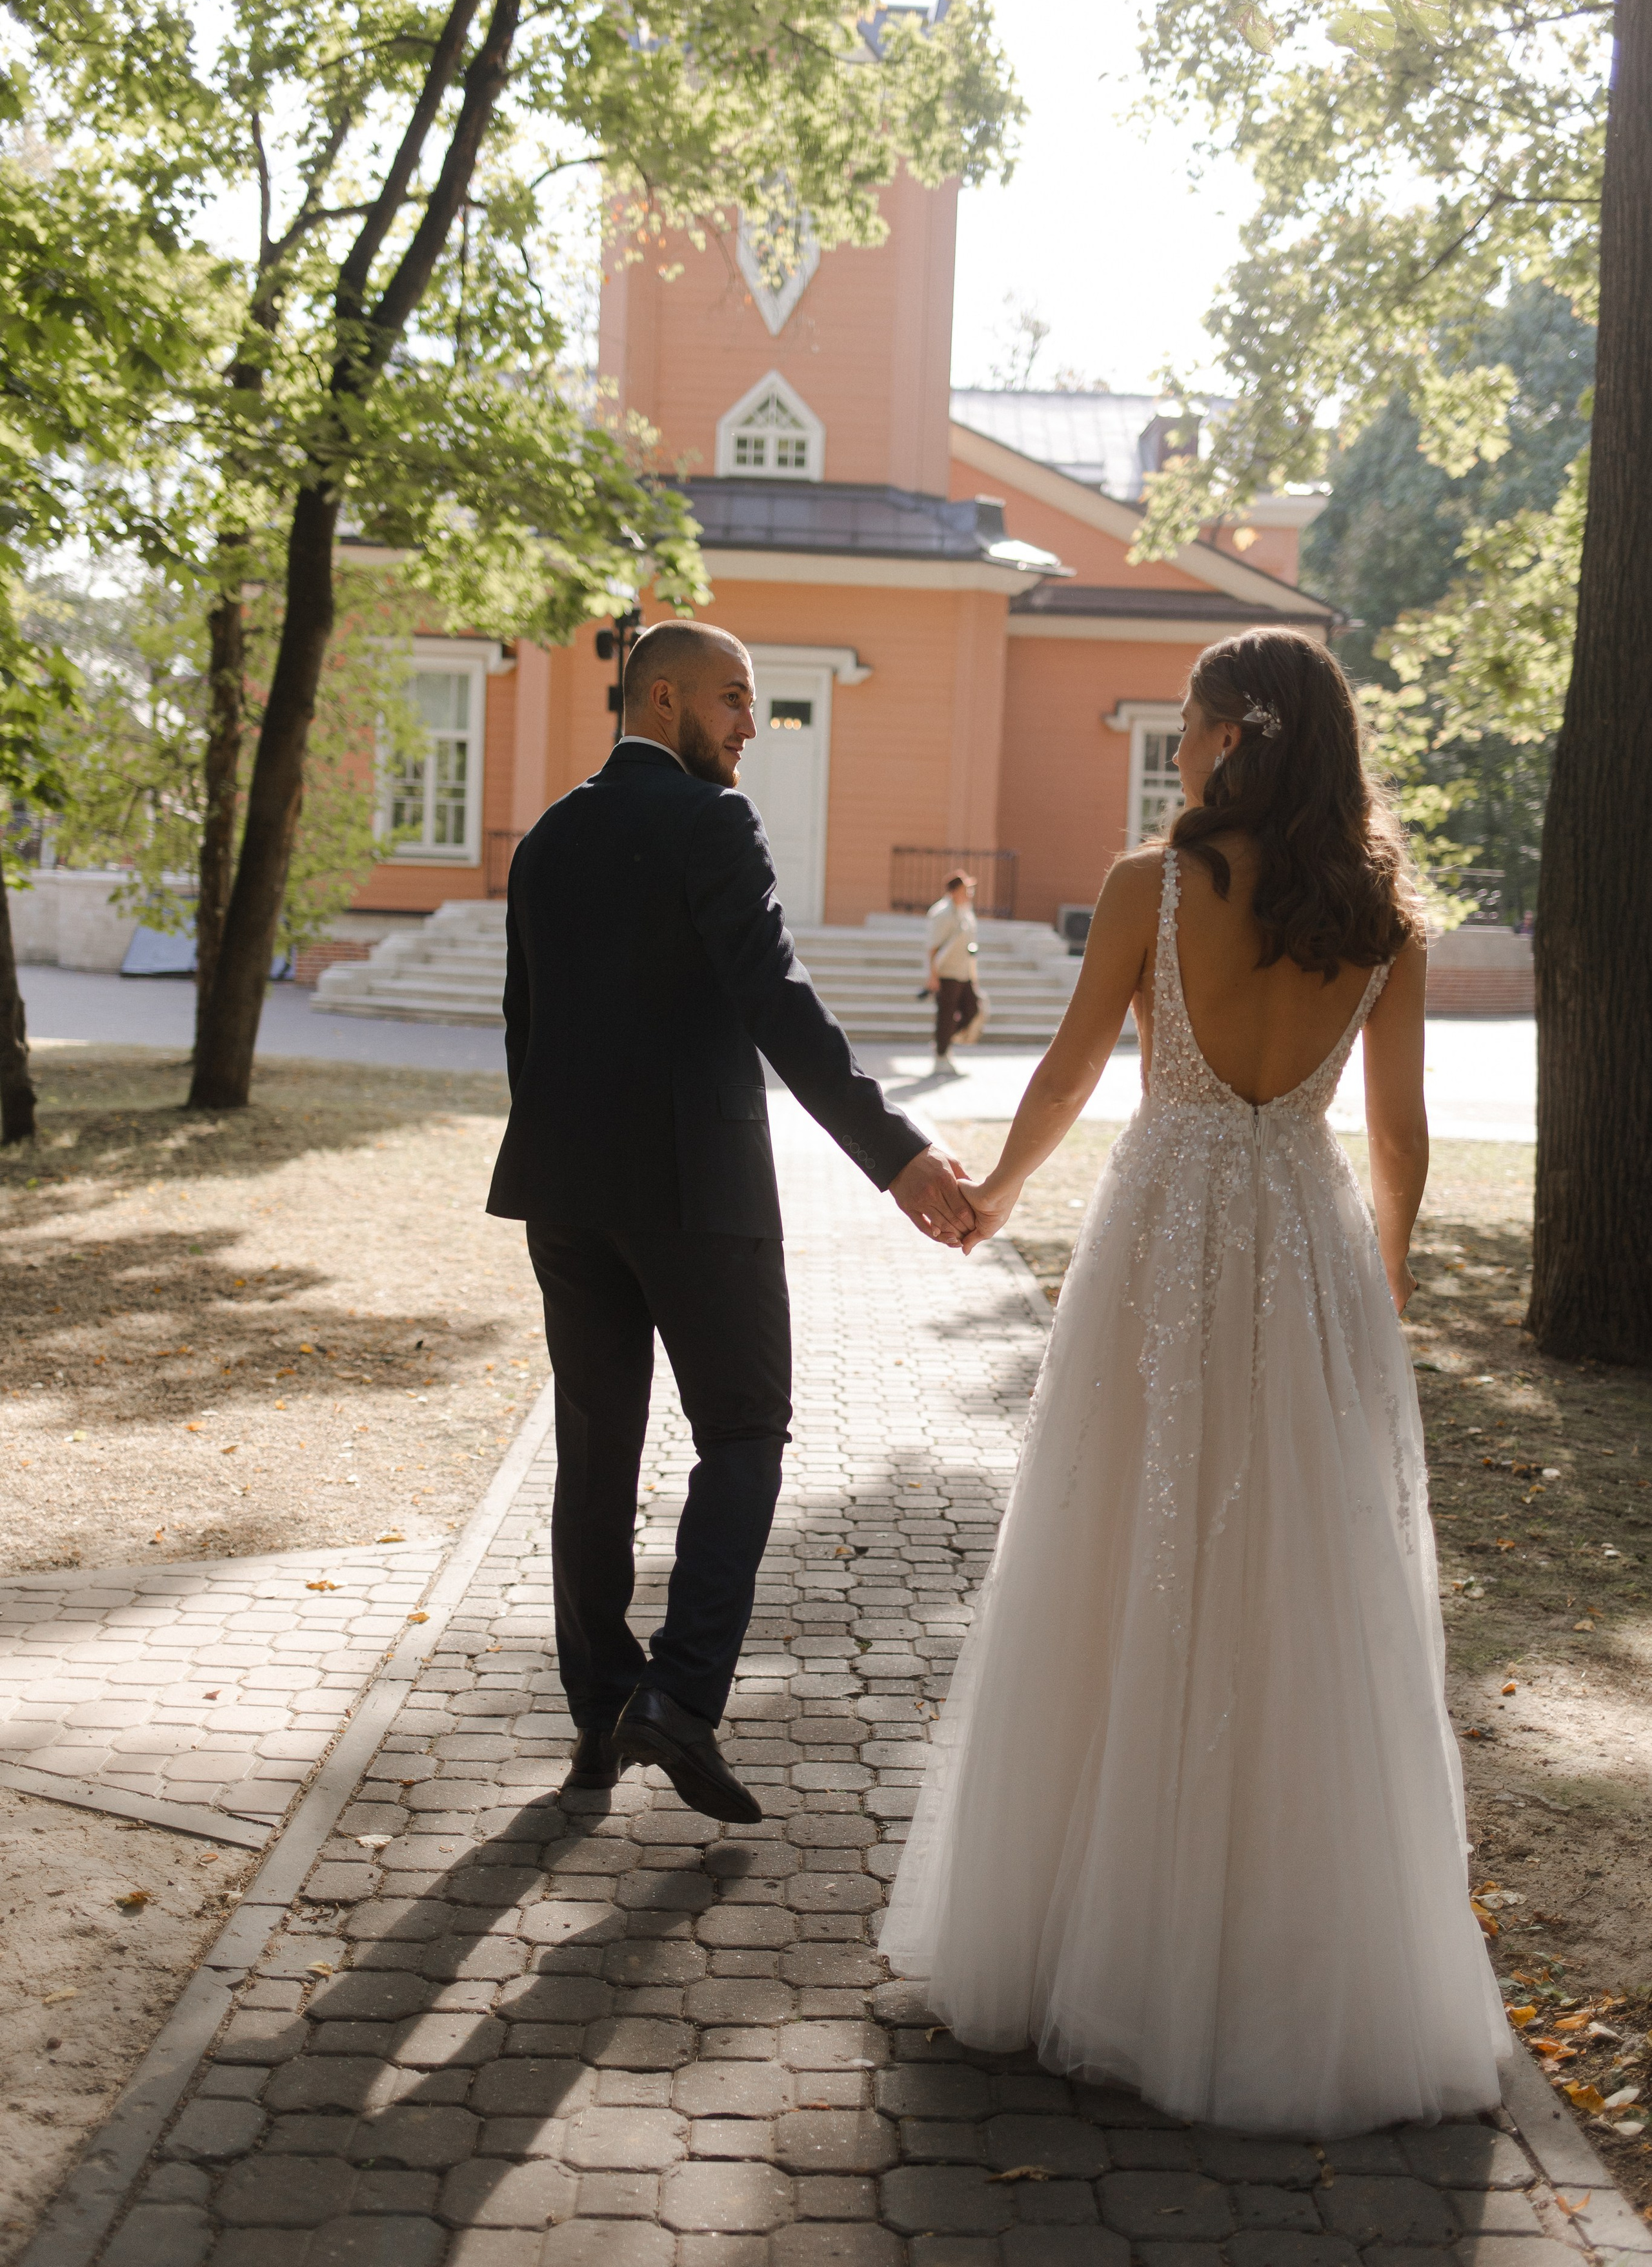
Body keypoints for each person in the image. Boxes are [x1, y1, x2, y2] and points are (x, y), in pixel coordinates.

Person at [880, 625, 1509, 2134]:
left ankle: (1102, 1926)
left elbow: (1067, 1070)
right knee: (1296, 1567)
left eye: (1185, 720)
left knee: (1119, 1535)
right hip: (1305, 1240)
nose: (1175, 744)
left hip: (1161, 1235)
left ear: (1234, 733)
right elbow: (1399, 1133)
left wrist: (996, 1196)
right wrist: (1383, 1278)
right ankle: (1277, 1945)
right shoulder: (1382, 918)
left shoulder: (1149, 886)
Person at [487, 620, 974, 1827]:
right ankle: (680, 1694)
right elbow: (777, 1001)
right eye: (733, 700)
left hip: (564, 1192)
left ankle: (600, 1714)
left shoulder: (547, 838)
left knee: (595, 1452)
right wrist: (896, 1153)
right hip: (697, 1190)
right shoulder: (713, 820)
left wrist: (562, 1157)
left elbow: (523, 1026)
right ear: (661, 699)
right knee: (747, 1433)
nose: (752, 726)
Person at [925, 871, 980, 1074]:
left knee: (972, 1010)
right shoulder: (942, 914)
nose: (970, 893)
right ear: (955, 891)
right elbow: (933, 947)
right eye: (966, 889)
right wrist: (932, 976)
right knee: (946, 1016)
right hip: (946, 973)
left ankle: (943, 1041)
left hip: (964, 972)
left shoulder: (966, 911)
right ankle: (941, 1054)